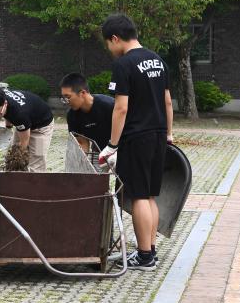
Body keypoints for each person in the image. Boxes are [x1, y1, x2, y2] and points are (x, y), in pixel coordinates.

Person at [98, 14, 173, 271]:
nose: (110, 49)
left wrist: (112, 144)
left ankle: (143, 256)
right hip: (158, 135)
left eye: (108, 43)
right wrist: (169, 133)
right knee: (150, 195)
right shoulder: (158, 60)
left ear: (115, 38)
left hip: (137, 136)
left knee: (139, 196)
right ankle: (150, 250)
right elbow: (167, 101)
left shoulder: (124, 64)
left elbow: (120, 108)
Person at [0, 86, 54, 172]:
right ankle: (17, 179)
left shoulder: (19, 114)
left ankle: (36, 183)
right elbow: (7, 114)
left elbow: (25, 141)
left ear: (5, 103)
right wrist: (8, 128)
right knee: (12, 152)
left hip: (41, 128)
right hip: (24, 123)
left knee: (36, 158)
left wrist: (19, 159)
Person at [59, 72, 115, 154]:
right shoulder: (72, 115)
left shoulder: (109, 106)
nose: (66, 101)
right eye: (63, 98)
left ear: (82, 93)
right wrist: (82, 161)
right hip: (99, 151)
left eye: (68, 97)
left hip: (121, 148)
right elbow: (82, 142)